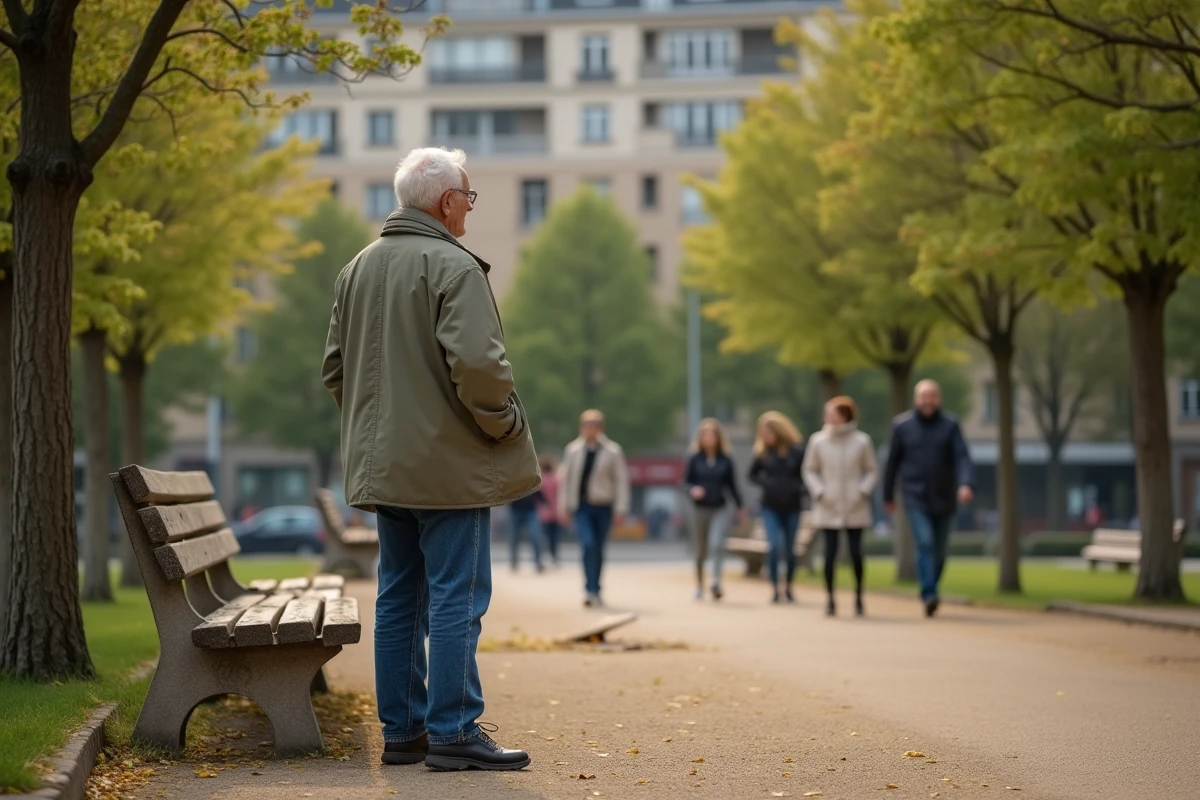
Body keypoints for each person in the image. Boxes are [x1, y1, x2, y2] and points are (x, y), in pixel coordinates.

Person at [321, 147, 539, 771]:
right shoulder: (453, 265)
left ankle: (404, 733)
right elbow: (478, 366)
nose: (470, 207)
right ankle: (454, 731)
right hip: (450, 464)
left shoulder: (356, 268)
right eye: (468, 197)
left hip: (384, 465)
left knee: (397, 596)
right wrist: (504, 422)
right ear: (446, 201)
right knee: (454, 597)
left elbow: (336, 370)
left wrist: (377, 427)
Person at [883, 379, 975, 618]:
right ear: (916, 399)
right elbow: (892, 462)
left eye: (932, 396)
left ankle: (931, 586)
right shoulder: (902, 426)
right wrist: (887, 494)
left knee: (940, 550)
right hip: (914, 495)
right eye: (924, 396)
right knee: (925, 542)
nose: (928, 400)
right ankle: (929, 593)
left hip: (944, 496)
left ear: (939, 399)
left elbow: (962, 457)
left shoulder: (951, 426)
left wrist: (965, 484)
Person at [803, 396, 878, 617]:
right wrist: (820, 491)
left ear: (844, 415)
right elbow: (809, 469)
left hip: (855, 504)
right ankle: (830, 598)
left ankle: (858, 596)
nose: (827, 417)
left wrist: (862, 491)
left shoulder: (862, 441)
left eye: (831, 412)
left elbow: (872, 470)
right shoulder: (818, 441)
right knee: (830, 553)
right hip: (828, 503)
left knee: (856, 553)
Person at [558, 410, 630, 608]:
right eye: (587, 425)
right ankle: (589, 589)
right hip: (582, 506)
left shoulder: (613, 451)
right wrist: (563, 508)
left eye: (595, 426)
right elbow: (566, 481)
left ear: (601, 428)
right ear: (582, 428)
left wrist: (621, 509)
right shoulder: (573, 450)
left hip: (604, 505)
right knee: (588, 544)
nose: (591, 429)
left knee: (599, 547)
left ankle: (596, 588)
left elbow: (621, 481)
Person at [748, 411, 807, 604]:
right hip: (770, 506)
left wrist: (799, 489)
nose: (765, 436)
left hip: (792, 506)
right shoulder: (763, 453)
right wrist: (767, 482)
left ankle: (789, 585)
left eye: (768, 432)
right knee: (774, 546)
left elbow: (806, 475)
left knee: (790, 549)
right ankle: (774, 587)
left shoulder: (796, 452)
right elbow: (751, 475)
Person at [683, 418, 745, 601]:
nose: (709, 438)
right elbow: (685, 482)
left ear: (718, 437)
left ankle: (716, 581)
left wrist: (740, 506)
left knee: (717, 544)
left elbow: (733, 485)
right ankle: (699, 584)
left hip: (720, 507)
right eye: (706, 434)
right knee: (700, 550)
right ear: (700, 438)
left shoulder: (726, 460)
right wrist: (692, 490)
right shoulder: (694, 459)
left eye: (713, 434)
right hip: (699, 509)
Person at [507, 488, 544, 573]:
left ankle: (538, 562)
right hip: (515, 509)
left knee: (535, 536)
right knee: (514, 538)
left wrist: (544, 501)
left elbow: (537, 488)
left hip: (530, 509)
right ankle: (514, 562)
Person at [536, 455, 561, 566]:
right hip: (556, 511)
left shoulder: (540, 479)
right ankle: (554, 555)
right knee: (554, 536)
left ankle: (543, 555)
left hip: (543, 512)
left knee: (543, 536)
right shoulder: (556, 479)